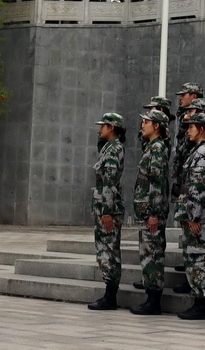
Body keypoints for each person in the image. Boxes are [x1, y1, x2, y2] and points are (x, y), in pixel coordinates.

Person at [174, 110, 205, 321]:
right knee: (193, 257)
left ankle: (200, 304)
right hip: (194, 213)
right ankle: (197, 301)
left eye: (191, 127)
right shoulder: (199, 150)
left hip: (198, 216)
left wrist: (194, 216)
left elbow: (198, 187)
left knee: (199, 259)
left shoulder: (202, 152)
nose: (187, 131)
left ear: (201, 129)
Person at [129, 109, 172, 316]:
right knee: (148, 254)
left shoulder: (157, 148)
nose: (142, 125)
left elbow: (157, 183)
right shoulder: (151, 146)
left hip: (152, 213)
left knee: (153, 255)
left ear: (156, 126)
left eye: (146, 122)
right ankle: (150, 297)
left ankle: (153, 301)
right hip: (146, 212)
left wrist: (154, 213)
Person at [87, 112, 127, 311]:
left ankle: (110, 296)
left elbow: (110, 182)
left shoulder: (114, 149)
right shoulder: (108, 147)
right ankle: (108, 294)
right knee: (104, 250)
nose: (99, 129)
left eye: (103, 126)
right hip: (104, 206)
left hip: (108, 209)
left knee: (109, 251)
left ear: (111, 128)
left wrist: (106, 212)